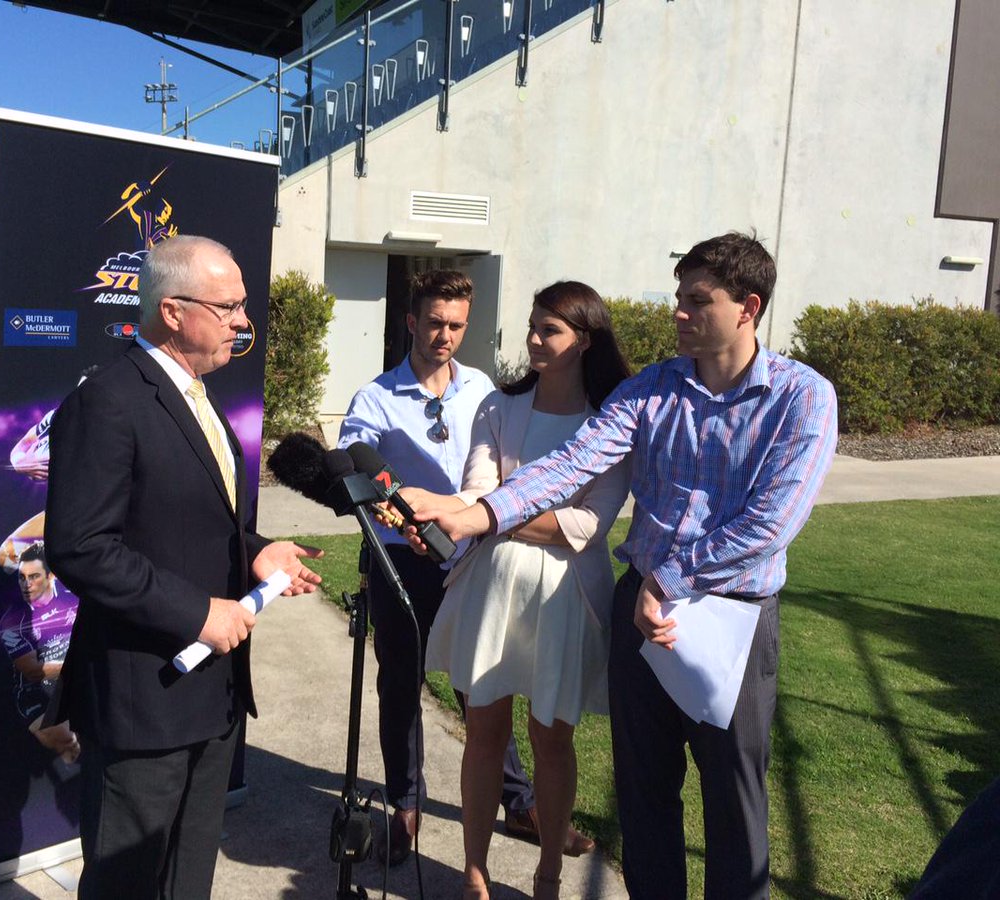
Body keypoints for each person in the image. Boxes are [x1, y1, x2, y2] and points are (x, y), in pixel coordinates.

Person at [414, 233, 838, 899]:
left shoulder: (801, 398)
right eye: (678, 298)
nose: (678, 312)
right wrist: (477, 515)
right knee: (643, 796)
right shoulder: (653, 389)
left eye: (698, 300)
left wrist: (671, 580)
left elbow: (771, 521)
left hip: (731, 618)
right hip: (640, 610)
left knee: (733, 799)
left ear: (748, 306)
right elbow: (572, 462)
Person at [45, 235, 323, 899]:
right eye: (228, 308)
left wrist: (258, 551)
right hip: (145, 700)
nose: (243, 323)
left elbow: (199, 519)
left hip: (213, 697)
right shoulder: (108, 401)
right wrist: (197, 613)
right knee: (128, 883)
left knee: (187, 880)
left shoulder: (199, 397)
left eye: (243, 308)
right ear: (173, 313)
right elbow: (80, 545)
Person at [338, 269, 594, 867]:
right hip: (402, 561)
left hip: (474, 556)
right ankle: (406, 807)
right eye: (433, 322)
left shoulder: (483, 390)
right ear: (410, 322)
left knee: (483, 686)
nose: (444, 335)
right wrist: (399, 516)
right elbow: (360, 476)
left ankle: (520, 803)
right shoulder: (374, 399)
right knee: (401, 684)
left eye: (456, 325)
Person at [403, 282, 630, 898]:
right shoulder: (499, 409)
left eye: (549, 330)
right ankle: (474, 873)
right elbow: (475, 496)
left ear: (583, 341)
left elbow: (587, 526)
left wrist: (494, 510)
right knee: (483, 734)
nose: (533, 339)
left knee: (552, 739)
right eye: (532, 326)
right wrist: (492, 509)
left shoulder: (612, 421)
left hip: (565, 599)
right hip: (492, 587)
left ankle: (549, 873)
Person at [0, 542, 80, 763]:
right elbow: (34, 672)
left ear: (51, 576)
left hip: (83, 680)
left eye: (33, 576)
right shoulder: (12, 622)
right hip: (37, 694)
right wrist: (83, 665)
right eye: (22, 577)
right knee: (67, 740)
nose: (26, 584)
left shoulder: (75, 595)